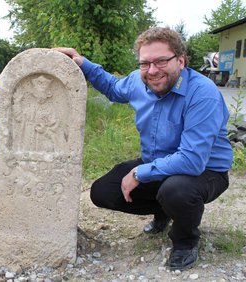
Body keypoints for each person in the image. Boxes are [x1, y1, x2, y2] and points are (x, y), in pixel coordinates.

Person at [55, 27, 233, 271]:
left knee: (176, 190)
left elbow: (192, 160)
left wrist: (139, 173)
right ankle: (165, 210)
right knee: (102, 192)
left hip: (205, 171)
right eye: (145, 63)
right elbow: (113, 88)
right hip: (159, 162)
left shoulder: (203, 94)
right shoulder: (138, 81)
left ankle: (185, 241)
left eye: (161, 61)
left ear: (180, 60)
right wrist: (82, 63)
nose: (152, 70)